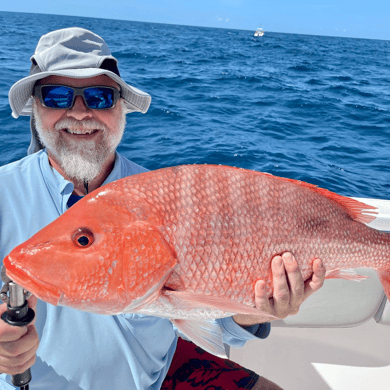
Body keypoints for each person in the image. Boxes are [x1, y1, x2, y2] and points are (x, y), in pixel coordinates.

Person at [0, 28, 326, 390]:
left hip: (161, 375)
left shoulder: (162, 193)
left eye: (99, 96)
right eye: (57, 96)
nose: (79, 113)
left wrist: (255, 311)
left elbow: (218, 326)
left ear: (120, 107)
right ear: (36, 108)